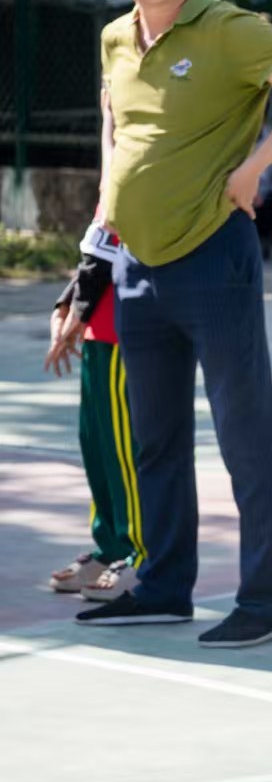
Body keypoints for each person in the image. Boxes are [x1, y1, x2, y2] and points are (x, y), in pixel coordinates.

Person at [75, 0, 272, 647]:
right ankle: (164, 586)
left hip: (213, 255)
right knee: (154, 437)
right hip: (135, 260)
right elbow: (117, 134)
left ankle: (265, 599)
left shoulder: (230, 29)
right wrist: (99, 239)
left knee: (244, 433)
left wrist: (257, 164)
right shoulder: (113, 38)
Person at [43, 215, 144, 603]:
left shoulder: (137, 156)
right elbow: (99, 243)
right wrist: (69, 303)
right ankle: (110, 550)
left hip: (125, 325)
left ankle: (139, 554)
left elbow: (116, 240)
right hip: (97, 329)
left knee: (124, 453)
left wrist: (75, 309)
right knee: (97, 447)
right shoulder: (114, 160)